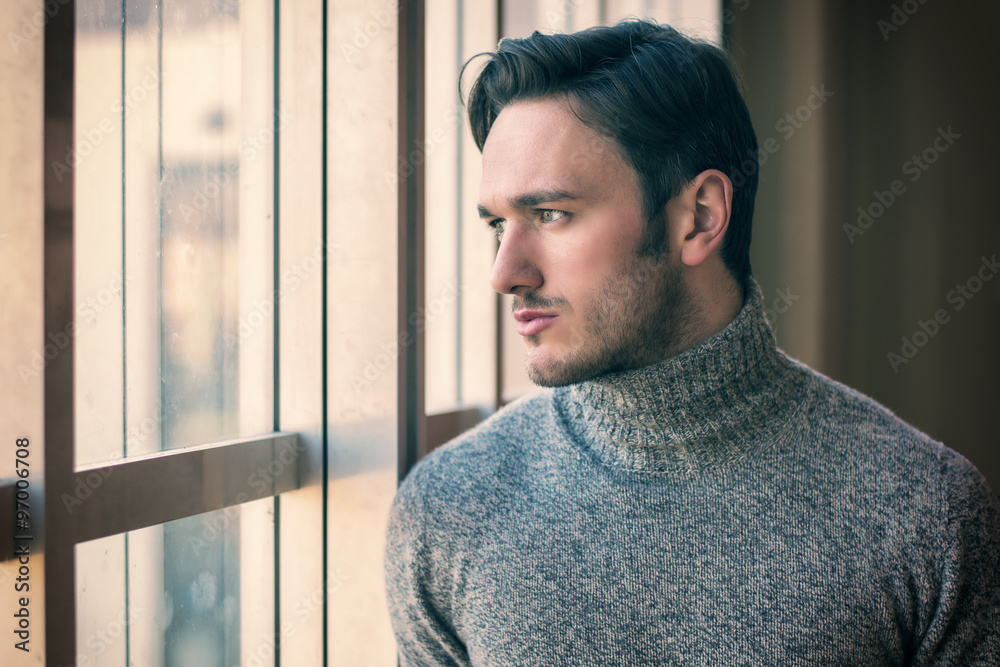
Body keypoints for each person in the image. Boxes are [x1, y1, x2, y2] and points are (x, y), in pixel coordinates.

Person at [384, 19, 1000, 666]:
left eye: (551, 214)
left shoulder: (924, 511)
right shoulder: (448, 509)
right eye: (497, 225)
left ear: (700, 216)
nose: (505, 273)